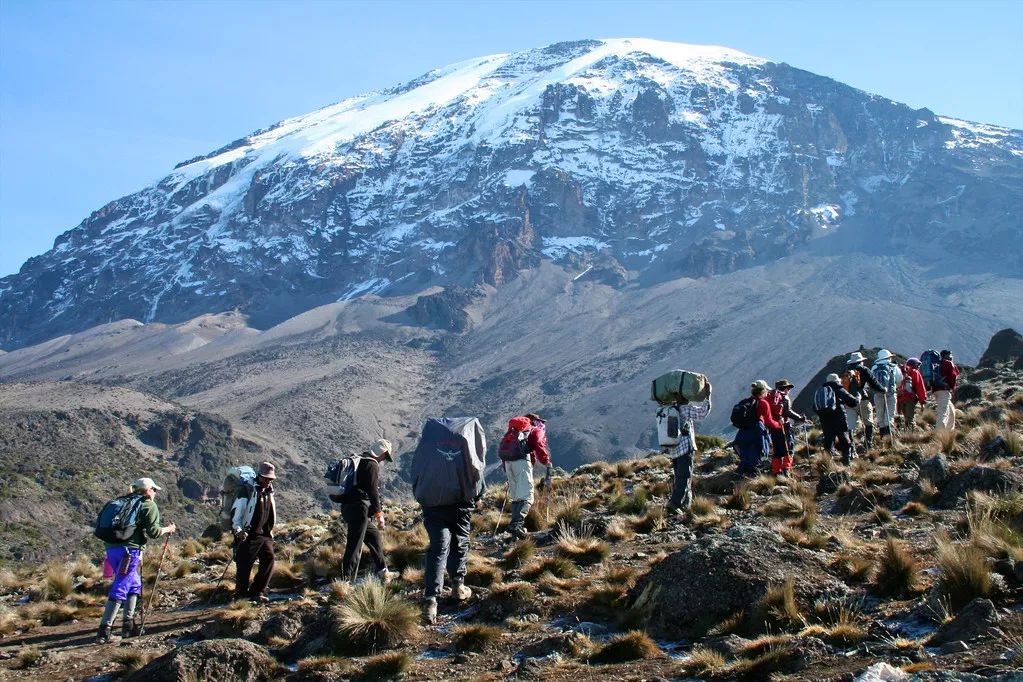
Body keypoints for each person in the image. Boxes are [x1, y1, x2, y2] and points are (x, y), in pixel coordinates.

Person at [412, 418, 488, 625]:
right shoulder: (466, 442)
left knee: (438, 548)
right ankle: (457, 586)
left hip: (433, 504)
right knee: (460, 543)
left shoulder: (429, 444)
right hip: (460, 503)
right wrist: (478, 496)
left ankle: (430, 599)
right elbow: (476, 470)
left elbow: (416, 471)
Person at [97, 477, 176, 644]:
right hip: (130, 552)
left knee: (134, 584)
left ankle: (129, 626)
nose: (155, 493)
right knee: (121, 585)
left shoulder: (122, 502)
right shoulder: (148, 505)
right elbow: (153, 532)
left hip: (112, 549)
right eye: (154, 490)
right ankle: (104, 631)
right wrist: (168, 529)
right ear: (148, 490)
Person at [340, 439, 395, 583]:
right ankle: (346, 581)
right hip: (360, 509)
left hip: (348, 507)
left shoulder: (360, 461)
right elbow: (373, 492)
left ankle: (383, 571)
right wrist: (379, 515)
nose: (384, 459)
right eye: (385, 456)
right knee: (354, 545)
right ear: (382, 453)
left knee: (374, 535)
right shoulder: (371, 464)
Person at [231, 462, 277, 603]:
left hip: (264, 534)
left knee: (269, 559)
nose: (268, 481)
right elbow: (236, 512)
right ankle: (240, 598)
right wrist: (238, 530)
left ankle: (257, 591)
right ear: (259, 476)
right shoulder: (247, 491)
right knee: (245, 566)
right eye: (266, 478)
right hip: (247, 534)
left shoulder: (269, 491)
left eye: (270, 479)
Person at [665, 390, 712, 514]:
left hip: (674, 448)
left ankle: (686, 505)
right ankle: (674, 503)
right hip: (685, 447)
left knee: (679, 476)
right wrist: (708, 396)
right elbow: (702, 413)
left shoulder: (670, 409)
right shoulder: (685, 409)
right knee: (685, 477)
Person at [733, 380, 780, 477]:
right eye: (766, 390)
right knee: (754, 461)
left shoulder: (745, 402)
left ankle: (738, 483)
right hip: (756, 435)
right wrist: (779, 425)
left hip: (742, 435)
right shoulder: (763, 403)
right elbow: (769, 421)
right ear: (762, 391)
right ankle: (751, 482)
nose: (767, 392)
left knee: (745, 459)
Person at [501, 416, 536, 540]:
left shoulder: (508, 436)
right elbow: (530, 452)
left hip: (508, 464)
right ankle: (517, 525)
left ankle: (514, 525)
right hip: (521, 464)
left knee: (516, 497)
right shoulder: (523, 434)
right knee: (527, 495)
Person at [814, 373, 860, 465]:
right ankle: (846, 462)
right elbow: (852, 401)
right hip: (839, 419)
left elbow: (815, 407)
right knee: (845, 441)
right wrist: (858, 398)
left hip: (825, 420)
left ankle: (827, 464)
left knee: (829, 442)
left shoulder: (822, 390)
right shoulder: (838, 388)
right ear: (836, 381)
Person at [844, 352, 885, 451]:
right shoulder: (863, 370)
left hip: (848, 401)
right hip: (862, 400)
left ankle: (851, 447)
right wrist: (883, 390)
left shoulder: (846, 372)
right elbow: (873, 382)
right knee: (868, 421)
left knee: (851, 425)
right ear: (860, 361)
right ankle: (868, 444)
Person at [766, 379, 807, 477]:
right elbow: (788, 412)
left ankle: (776, 471)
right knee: (789, 449)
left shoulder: (771, 398)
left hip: (773, 428)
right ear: (784, 388)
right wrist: (800, 418)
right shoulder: (784, 398)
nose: (789, 390)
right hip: (784, 427)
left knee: (777, 450)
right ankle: (786, 470)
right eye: (788, 388)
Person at [870, 349, 903, 439]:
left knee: (880, 415)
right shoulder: (894, 367)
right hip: (891, 393)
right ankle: (889, 438)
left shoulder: (874, 368)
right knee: (889, 415)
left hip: (878, 394)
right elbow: (899, 380)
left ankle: (882, 436)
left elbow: (870, 382)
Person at [898, 357, 928, 430]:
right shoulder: (915, 372)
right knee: (910, 419)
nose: (918, 367)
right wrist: (922, 402)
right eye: (918, 365)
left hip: (901, 398)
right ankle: (913, 435)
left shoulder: (902, 371)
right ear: (915, 365)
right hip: (910, 398)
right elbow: (920, 387)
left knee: (906, 418)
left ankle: (907, 434)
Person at [934, 349, 960, 430]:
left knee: (951, 412)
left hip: (937, 390)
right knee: (943, 413)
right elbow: (953, 376)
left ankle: (948, 433)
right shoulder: (948, 363)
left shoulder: (937, 364)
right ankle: (939, 434)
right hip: (944, 390)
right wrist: (953, 387)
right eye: (950, 355)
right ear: (947, 356)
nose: (952, 357)